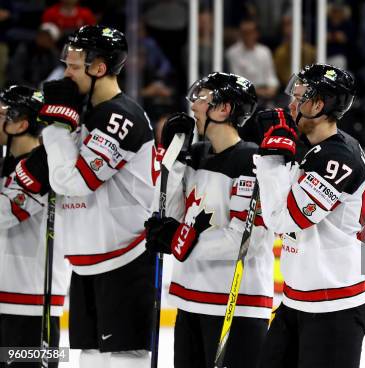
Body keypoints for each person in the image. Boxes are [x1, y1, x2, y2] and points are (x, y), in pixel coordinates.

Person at [31, 25, 156, 367]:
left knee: (124, 356)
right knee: (88, 354)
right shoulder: (87, 115)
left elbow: (74, 182)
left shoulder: (120, 117)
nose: (65, 74)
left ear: (98, 68)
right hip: (90, 258)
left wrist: (56, 129)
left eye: (72, 66)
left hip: (124, 258)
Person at [143, 72, 275, 368]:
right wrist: (173, 158)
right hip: (190, 300)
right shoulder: (197, 154)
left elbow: (244, 242)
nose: (193, 106)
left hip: (237, 307)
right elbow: (165, 217)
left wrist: (181, 243)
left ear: (223, 109)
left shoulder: (252, 162)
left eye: (201, 99)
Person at [254, 63, 365, 368]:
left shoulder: (337, 158)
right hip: (301, 297)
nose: (290, 105)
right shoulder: (313, 146)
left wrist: (271, 161)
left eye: (297, 99)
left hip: (336, 303)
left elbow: (283, 221)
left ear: (318, 105)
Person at [0, 85, 70, 368]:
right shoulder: (7, 165)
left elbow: (5, 212)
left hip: (32, 306)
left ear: (21, 123)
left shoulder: (42, 169)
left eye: (2, 113)